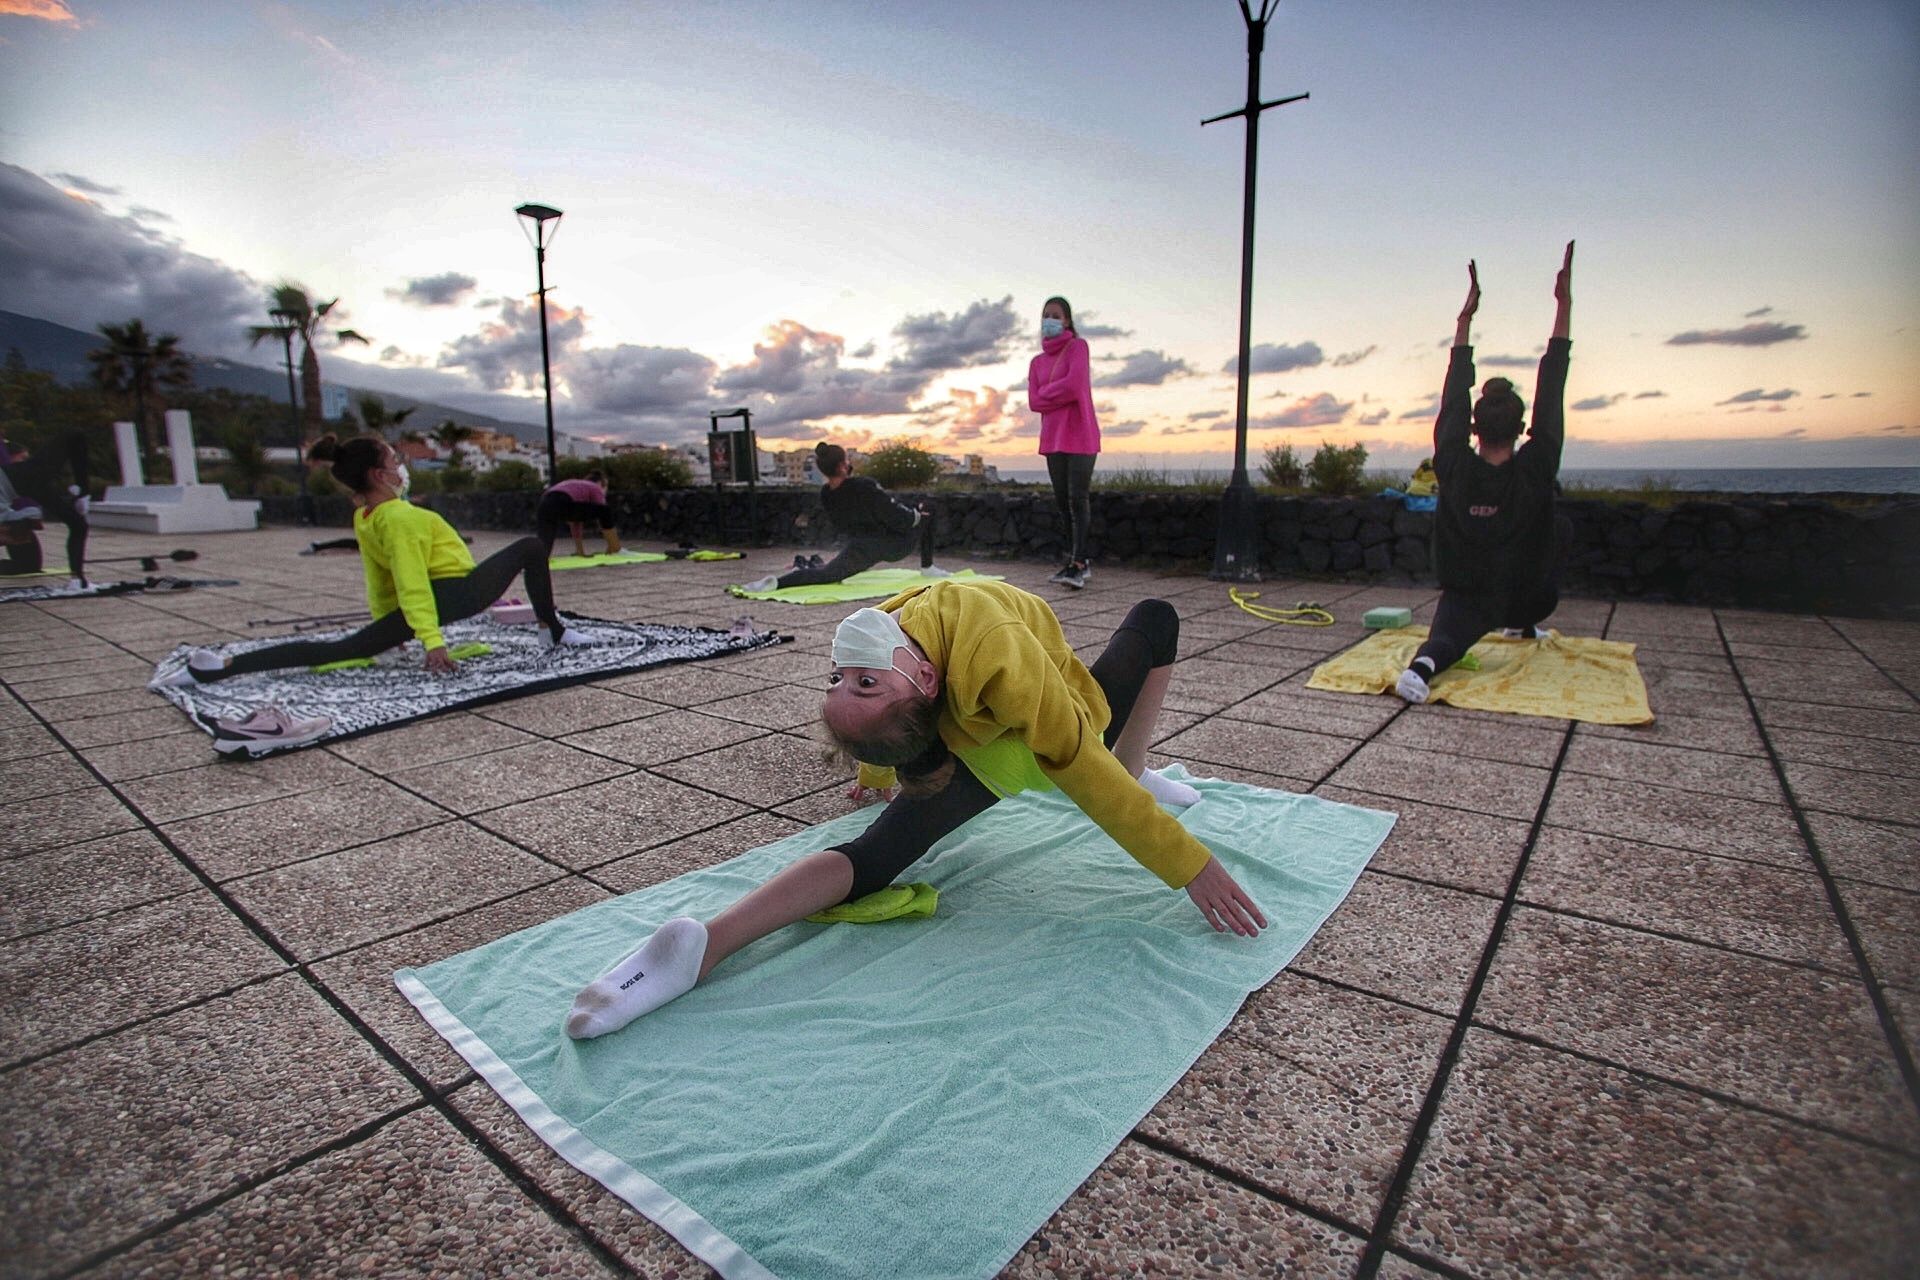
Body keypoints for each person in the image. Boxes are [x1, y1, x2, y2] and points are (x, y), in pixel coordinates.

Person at [565, 578, 1267, 1040]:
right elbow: (1074, 761)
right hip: (1016, 741)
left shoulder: (934, 641)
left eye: (859, 681)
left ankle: (714, 942)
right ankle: (700, 945)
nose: (850, 679)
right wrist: (1189, 863)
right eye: (847, 682)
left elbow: (873, 717)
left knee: (876, 857)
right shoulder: (922, 642)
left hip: (983, 749)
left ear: (925, 682)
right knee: (1154, 617)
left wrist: (1188, 864)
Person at [159, 435, 595, 750]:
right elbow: (409, 579)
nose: (400, 464)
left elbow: (379, 579)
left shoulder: (367, 516)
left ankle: (217, 668)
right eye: (394, 458)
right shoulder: (400, 517)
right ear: (378, 473)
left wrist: (394, 631)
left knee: (338, 649)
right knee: (532, 546)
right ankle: (551, 629)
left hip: (430, 602)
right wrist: (431, 640)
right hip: (460, 592)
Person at [1397, 242, 1575, 705]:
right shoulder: (1535, 467)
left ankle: (1422, 668)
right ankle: (1518, 626)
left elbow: (1453, 398)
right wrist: (1564, 307)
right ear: (1521, 429)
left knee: (1439, 651)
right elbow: (1552, 389)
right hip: (1527, 594)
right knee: (1561, 522)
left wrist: (1464, 322)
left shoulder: (1453, 463)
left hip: (1469, 599)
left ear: (1474, 427)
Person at [736, 442, 947, 593]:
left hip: (860, 547)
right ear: (842, 466)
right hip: (895, 544)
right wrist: (917, 515)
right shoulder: (864, 486)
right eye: (847, 460)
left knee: (827, 574)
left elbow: (846, 522)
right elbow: (896, 515)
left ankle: (776, 583)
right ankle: (928, 567)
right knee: (929, 508)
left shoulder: (827, 494)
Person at [1027, 296, 1100, 590]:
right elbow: (1033, 401)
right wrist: (1051, 393)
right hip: (1053, 439)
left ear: (1067, 320)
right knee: (1062, 503)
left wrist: (1047, 393)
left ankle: (1079, 564)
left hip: (1081, 434)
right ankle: (1071, 560)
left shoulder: (1078, 347)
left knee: (1077, 499)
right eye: (1046, 315)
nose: (1050, 320)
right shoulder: (1036, 362)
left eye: (1055, 315)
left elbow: (1075, 385)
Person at [0, 432, 90, 587]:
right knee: (73, 436)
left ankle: (77, 579)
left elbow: (13, 516)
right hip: (27, 483)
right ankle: (77, 579)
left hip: (23, 480)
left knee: (79, 525)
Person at [537, 470, 622, 558]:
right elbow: (603, 513)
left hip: (544, 503)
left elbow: (575, 521)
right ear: (600, 483)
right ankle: (616, 549)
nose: (605, 491)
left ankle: (542, 557)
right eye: (605, 487)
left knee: (546, 534)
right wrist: (610, 542)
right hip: (563, 500)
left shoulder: (577, 486)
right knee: (605, 510)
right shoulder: (595, 487)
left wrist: (580, 551)